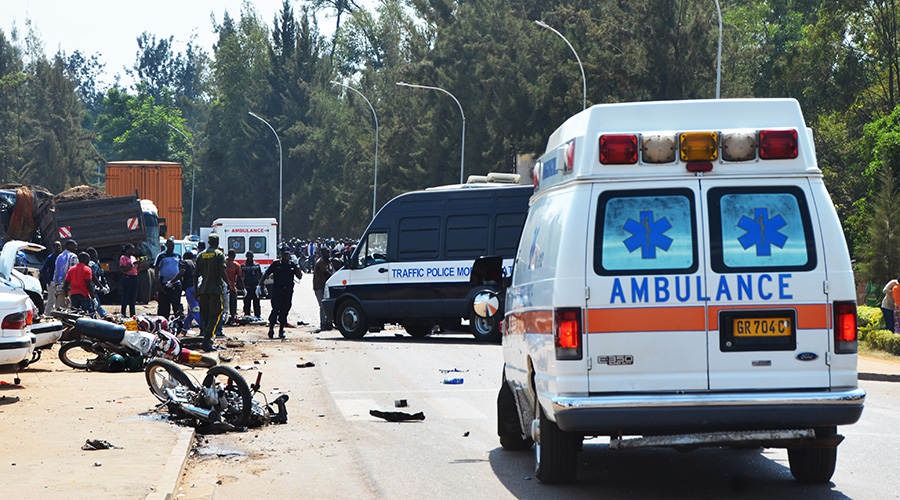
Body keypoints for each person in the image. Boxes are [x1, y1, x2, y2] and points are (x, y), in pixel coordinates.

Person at [195, 233, 228, 351]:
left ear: (208, 242)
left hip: (203, 290)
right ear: (217, 243)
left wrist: (196, 290)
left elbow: (195, 274)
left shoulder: (201, 255)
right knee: (216, 313)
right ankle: (206, 340)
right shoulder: (219, 254)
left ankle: (206, 337)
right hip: (215, 290)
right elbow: (222, 271)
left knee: (205, 315)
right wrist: (230, 284)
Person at [261, 246, 303, 339]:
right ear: (281, 255)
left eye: (287, 254)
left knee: (285, 310)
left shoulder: (292, 265)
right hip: (277, 291)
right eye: (284, 254)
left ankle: (281, 330)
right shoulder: (276, 264)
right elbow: (266, 273)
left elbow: (299, 277)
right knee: (275, 309)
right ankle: (271, 328)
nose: (286, 256)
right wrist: (260, 284)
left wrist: (297, 266)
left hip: (287, 292)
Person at [155, 238, 185, 319]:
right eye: (170, 246)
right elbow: (157, 269)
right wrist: (157, 283)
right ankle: (163, 322)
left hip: (176, 284)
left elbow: (180, 269)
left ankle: (178, 322)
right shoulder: (161, 256)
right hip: (164, 284)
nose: (171, 247)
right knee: (164, 305)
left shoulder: (177, 255)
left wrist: (182, 283)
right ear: (166, 246)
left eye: (173, 246)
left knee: (176, 304)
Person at [52, 240, 79, 311]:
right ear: (69, 246)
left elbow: (55, 272)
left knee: (62, 309)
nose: (76, 249)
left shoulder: (59, 257)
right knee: (71, 309)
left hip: (58, 286)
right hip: (69, 287)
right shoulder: (73, 256)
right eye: (74, 247)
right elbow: (73, 272)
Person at [313, 247, 334, 332]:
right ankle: (323, 324)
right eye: (327, 252)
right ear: (322, 253)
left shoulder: (327, 262)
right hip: (319, 287)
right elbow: (326, 273)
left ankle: (328, 322)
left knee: (326, 305)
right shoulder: (321, 262)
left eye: (329, 252)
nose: (328, 254)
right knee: (322, 306)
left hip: (324, 287)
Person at [85, 247, 109, 318]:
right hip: (91, 287)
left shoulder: (97, 263)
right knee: (94, 303)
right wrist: (101, 286)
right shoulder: (91, 264)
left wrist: (105, 284)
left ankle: (99, 316)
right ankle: (101, 316)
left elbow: (101, 274)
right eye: (94, 254)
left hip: (94, 287)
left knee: (95, 303)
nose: (96, 255)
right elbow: (93, 276)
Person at [181, 252, 201, 333]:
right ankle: (185, 328)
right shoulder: (195, 264)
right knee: (190, 311)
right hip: (196, 287)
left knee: (195, 310)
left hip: (189, 288)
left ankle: (204, 328)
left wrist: (172, 282)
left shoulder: (185, 262)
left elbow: (182, 272)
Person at [119, 243, 139, 317]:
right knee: (126, 296)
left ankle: (132, 314)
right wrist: (131, 265)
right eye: (131, 249)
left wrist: (138, 264)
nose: (132, 251)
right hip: (127, 278)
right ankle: (123, 313)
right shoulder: (123, 258)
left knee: (133, 297)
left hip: (134, 277)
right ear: (127, 250)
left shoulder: (133, 257)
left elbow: (137, 269)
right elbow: (123, 270)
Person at [225, 249, 244, 325]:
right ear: (234, 255)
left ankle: (223, 320)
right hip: (232, 287)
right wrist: (243, 288)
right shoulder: (236, 265)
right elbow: (239, 277)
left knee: (223, 305)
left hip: (223, 287)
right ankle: (232, 319)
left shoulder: (223, 263)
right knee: (233, 304)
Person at [41, 241, 62, 311]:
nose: (58, 248)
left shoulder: (62, 257)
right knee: (51, 300)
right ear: (53, 248)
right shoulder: (50, 258)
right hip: (52, 282)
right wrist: (48, 281)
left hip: (60, 282)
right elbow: (43, 270)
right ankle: (48, 315)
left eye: (59, 246)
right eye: (56, 246)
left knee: (59, 300)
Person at [241, 251, 262, 318]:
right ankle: (247, 316)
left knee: (256, 303)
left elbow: (260, 276)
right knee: (247, 303)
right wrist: (242, 288)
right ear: (246, 257)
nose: (250, 258)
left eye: (251, 256)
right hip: (247, 287)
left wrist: (261, 286)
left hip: (255, 287)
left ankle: (258, 316)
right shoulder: (243, 266)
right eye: (248, 256)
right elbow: (240, 277)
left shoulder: (256, 265)